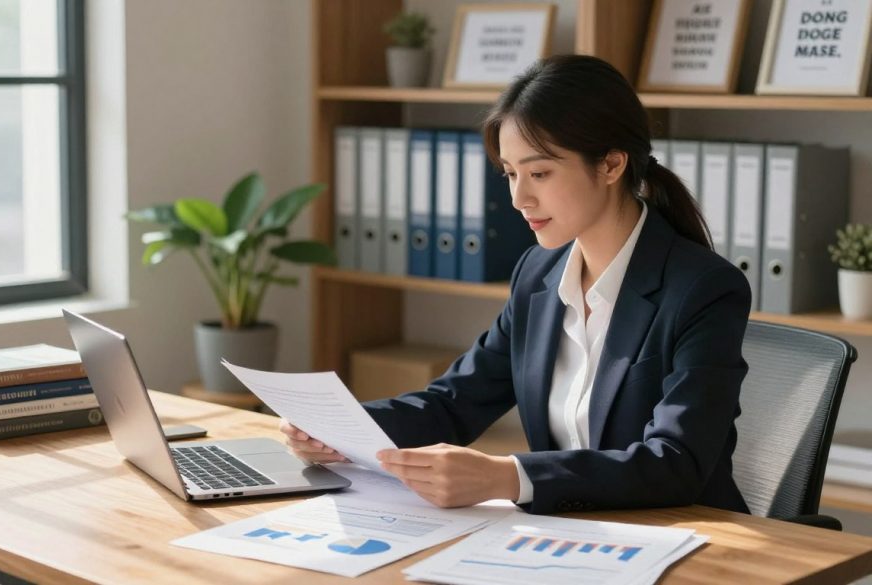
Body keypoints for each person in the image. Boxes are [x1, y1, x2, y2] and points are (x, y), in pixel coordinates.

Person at [281, 54, 752, 515]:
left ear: (611, 165)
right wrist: (340, 429)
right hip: (573, 536)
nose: (518, 198)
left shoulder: (703, 289)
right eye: (510, 173)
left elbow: (676, 462)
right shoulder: (538, 274)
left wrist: (508, 476)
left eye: (540, 173)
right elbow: (455, 403)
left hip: (688, 539)